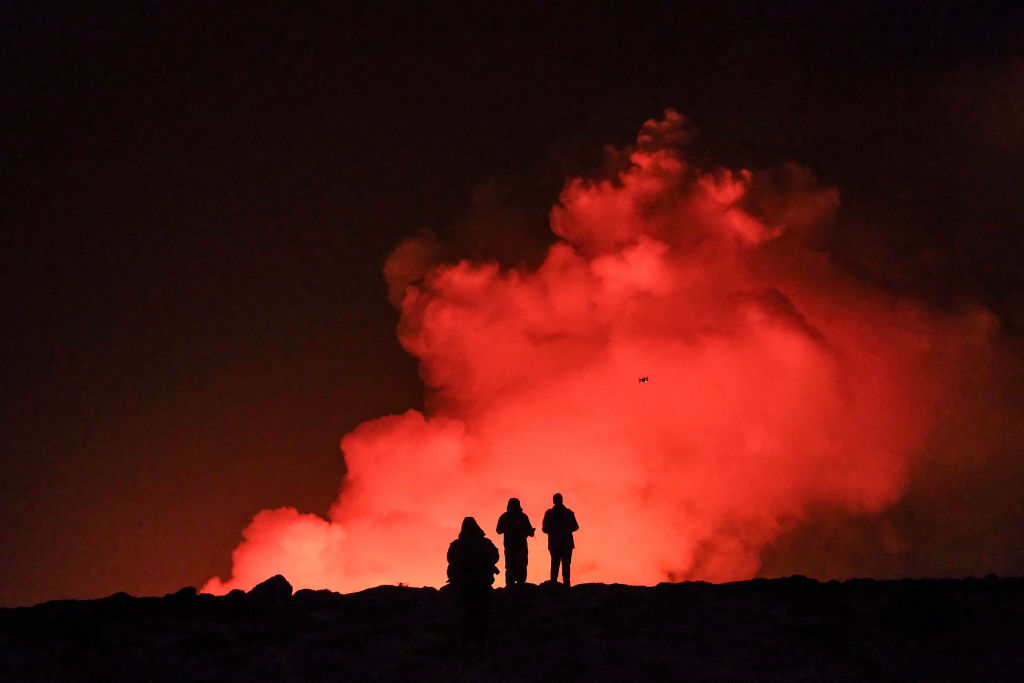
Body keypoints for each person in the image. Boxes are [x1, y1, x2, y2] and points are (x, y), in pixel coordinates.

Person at [446, 517, 499, 649]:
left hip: (467, 586)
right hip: (477, 585)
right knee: (479, 618)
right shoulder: (484, 543)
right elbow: (494, 556)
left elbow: (450, 559)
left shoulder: (457, 545)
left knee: (467, 618)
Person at [496, 498, 535, 587]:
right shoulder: (506, 517)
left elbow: (530, 531)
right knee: (511, 567)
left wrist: (530, 532)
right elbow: (498, 530)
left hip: (520, 547)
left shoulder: (522, 517)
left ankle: (519, 586)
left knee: (521, 566)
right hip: (511, 548)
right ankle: (511, 587)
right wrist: (509, 526)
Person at [542, 493, 579, 586]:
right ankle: (555, 583)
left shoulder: (567, 513)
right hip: (557, 543)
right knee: (556, 563)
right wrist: (555, 529)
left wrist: (565, 528)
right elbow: (544, 528)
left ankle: (564, 583)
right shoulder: (551, 513)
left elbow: (575, 526)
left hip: (565, 543)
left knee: (564, 564)